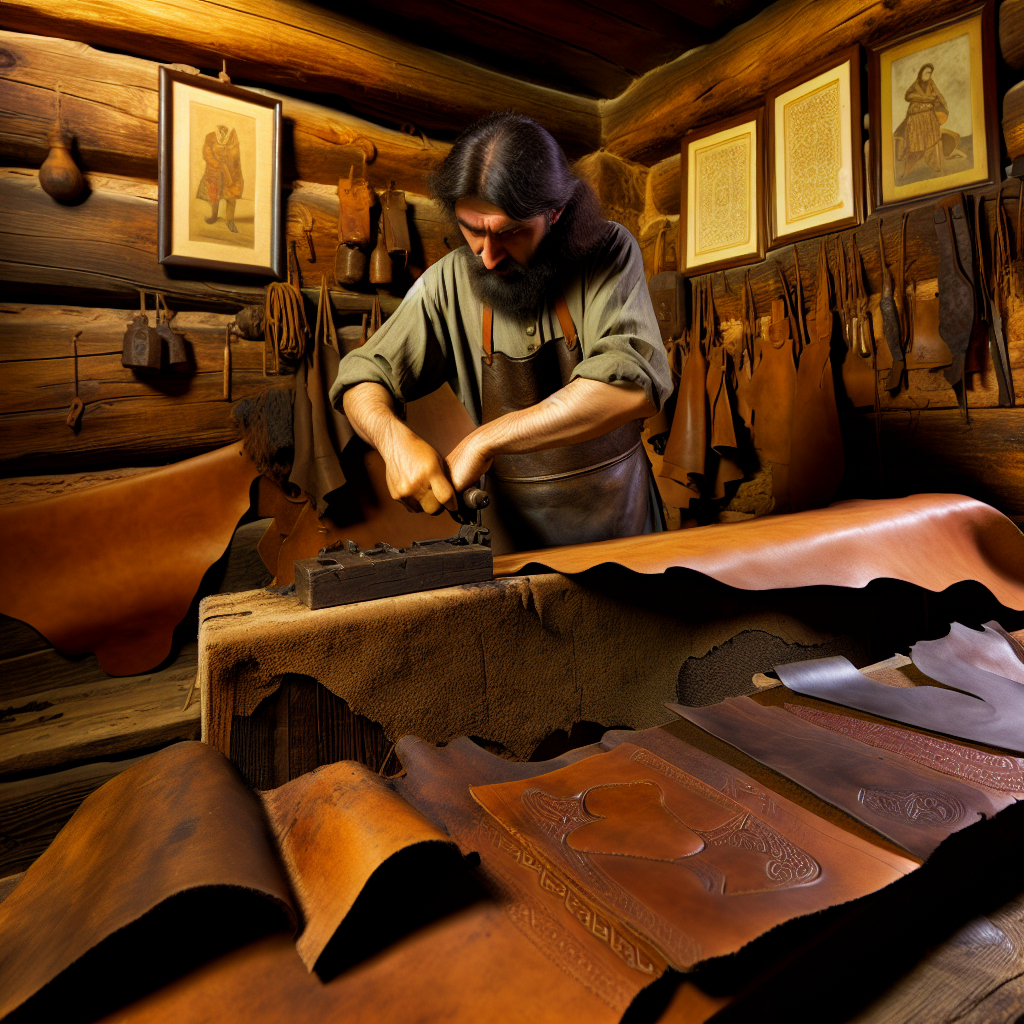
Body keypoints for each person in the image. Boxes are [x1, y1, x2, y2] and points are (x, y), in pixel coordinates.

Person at [330, 112, 672, 551]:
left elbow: (631, 387)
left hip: (622, 525)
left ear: (555, 212)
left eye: (510, 233)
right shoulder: (447, 281)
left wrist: (484, 440)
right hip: (513, 541)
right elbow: (359, 377)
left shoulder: (608, 252)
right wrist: (393, 440)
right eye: (472, 230)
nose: (488, 256)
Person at [893, 64, 960, 178]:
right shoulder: (916, 85)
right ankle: (912, 160)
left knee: (932, 136)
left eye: (930, 73)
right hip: (915, 116)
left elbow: (938, 96)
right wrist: (926, 98)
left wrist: (938, 103)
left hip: (928, 115)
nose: (929, 75)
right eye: (927, 72)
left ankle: (931, 159)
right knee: (914, 138)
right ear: (921, 73)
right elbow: (908, 96)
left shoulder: (931, 84)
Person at [196, 124, 242, 232]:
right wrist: (218, 164)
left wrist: (228, 165)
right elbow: (206, 153)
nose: (223, 132)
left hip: (229, 172)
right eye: (221, 130)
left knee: (231, 196)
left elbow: (236, 156)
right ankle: (214, 216)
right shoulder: (210, 137)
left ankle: (230, 221)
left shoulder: (233, 138)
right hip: (214, 171)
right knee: (214, 194)